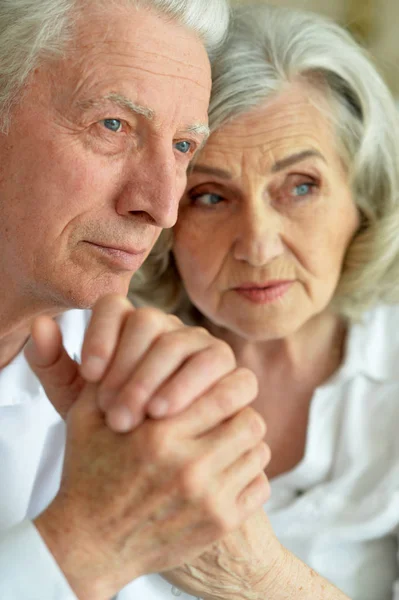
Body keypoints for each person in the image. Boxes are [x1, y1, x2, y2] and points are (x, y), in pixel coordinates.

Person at [0, 1, 277, 599]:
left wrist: (247, 568)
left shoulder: (122, 376)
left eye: (182, 147)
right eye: (113, 126)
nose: (162, 206)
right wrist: (89, 545)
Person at [130, 4, 399, 599]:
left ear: (365, 198)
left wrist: (255, 578)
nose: (256, 245)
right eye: (209, 196)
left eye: (300, 186)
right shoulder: (101, 364)